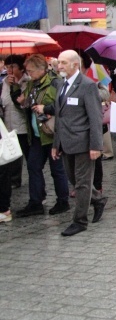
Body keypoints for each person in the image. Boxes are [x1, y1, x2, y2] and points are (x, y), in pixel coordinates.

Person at [47, 50, 106, 236]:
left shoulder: (87, 86)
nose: (60, 66)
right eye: (59, 62)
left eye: (64, 62)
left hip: (83, 142)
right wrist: (56, 144)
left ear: (75, 64)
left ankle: (80, 221)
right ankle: (98, 199)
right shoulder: (62, 85)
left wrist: (96, 146)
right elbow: (60, 117)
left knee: (81, 183)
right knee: (74, 179)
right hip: (66, 142)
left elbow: (95, 118)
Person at [14, 55, 70, 218]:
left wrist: (46, 107)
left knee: (57, 169)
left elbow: (63, 105)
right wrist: (16, 92)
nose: (29, 73)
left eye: (31, 70)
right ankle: (36, 202)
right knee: (33, 167)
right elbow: (23, 103)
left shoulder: (55, 82)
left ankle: (62, 201)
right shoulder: (31, 84)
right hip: (37, 134)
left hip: (52, 134)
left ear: (41, 69)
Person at [1, 54, 30, 188]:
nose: (9, 70)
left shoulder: (27, 81)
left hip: (23, 124)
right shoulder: (4, 83)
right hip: (7, 123)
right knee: (11, 153)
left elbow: (21, 105)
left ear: (21, 68)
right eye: (7, 67)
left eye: (12, 66)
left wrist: (15, 87)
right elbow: (4, 101)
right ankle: (13, 179)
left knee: (26, 154)